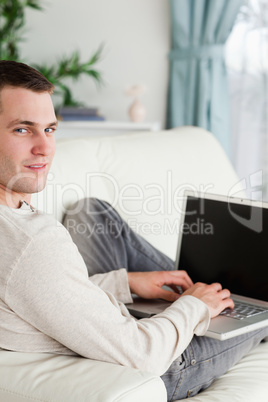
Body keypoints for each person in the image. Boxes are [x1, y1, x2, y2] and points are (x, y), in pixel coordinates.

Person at [0, 60, 266, 401]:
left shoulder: (19, 228)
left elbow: (34, 292)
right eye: (23, 130)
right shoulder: (32, 243)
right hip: (157, 360)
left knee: (91, 209)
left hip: (89, 327)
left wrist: (126, 282)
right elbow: (143, 354)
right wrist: (193, 308)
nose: (45, 147)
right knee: (260, 305)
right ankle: (223, 297)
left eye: (50, 129)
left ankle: (210, 290)